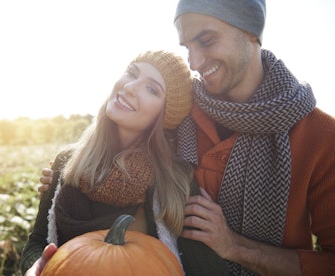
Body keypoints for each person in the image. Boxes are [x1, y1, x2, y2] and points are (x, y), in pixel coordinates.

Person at [37, 0, 335, 275]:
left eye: (206, 41)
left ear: (251, 31)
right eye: (187, 46)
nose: (194, 62)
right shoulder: (181, 111)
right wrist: (66, 175)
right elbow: (125, 144)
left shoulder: (320, 137)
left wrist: (237, 247)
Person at [21, 50, 228, 275]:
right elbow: (37, 243)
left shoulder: (176, 181)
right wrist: (36, 266)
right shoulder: (67, 162)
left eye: (152, 89)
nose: (130, 87)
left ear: (165, 114)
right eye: (132, 73)